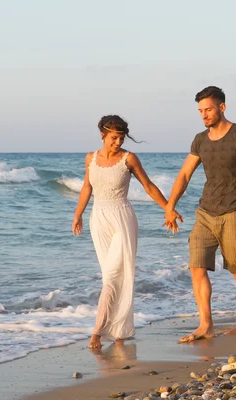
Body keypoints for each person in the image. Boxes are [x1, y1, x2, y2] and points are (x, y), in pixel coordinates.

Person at [72, 115, 182, 350]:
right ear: (103, 135)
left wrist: (169, 209)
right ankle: (119, 331)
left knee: (114, 276)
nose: (118, 142)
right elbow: (87, 186)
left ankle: (97, 332)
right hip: (98, 219)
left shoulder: (129, 159)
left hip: (122, 217)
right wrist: (78, 214)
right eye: (113, 137)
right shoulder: (91, 158)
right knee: (110, 276)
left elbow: (149, 186)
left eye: (121, 137)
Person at [164, 86, 236, 343]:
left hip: (234, 212)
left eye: (208, 109)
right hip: (205, 213)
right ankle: (206, 325)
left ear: (222, 107)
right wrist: (170, 205)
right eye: (200, 111)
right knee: (197, 267)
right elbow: (185, 174)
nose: (204, 115)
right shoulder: (200, 140)